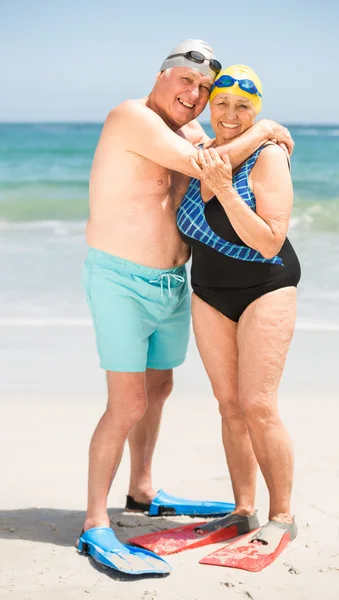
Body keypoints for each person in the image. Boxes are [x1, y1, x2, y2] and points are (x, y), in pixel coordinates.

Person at [79, 41, 294, 571]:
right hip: (121, 279)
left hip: (175, 283)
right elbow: (205, 167)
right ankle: (94, 523)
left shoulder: (194, 131)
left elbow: (224, 152)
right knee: (126, 402)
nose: (195, 95)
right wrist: (264, 130)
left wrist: (263, 142)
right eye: (186, 82)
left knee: (160, 388)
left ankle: (142, 491)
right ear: (162, 75)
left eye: (204, 89)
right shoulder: (130, 117)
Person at [177, 64, 301, 549]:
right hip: (209, 290)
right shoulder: (199, 152)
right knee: (229, 406)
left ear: (258, 112)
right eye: (222, 103)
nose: (230, 115)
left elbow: (270, 241)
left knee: (258, 405)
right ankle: (243, 511)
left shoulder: (269, 156)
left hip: (265, 287)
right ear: (210, 106)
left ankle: (283, 516)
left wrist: (227, 190)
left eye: (244, 108)